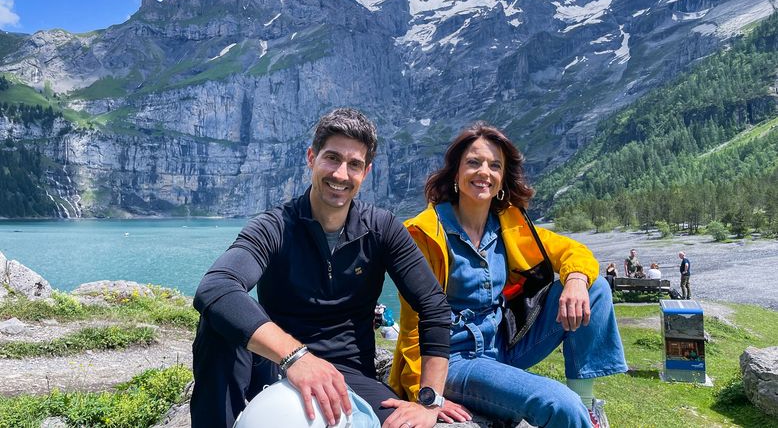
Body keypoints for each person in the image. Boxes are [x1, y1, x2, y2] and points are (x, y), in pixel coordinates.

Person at [191, 108, 455, 428]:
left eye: (354, 164)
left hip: (350, 376)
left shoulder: (381, 229)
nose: (341, 174)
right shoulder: (275, 226)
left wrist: (429, 401)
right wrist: (296, 357)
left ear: (366, 172)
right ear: (311, 157)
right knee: (217, 322)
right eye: (332, 158)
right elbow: (216, 287)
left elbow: (434, 306)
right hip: (276, 365)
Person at [389, 122, 627, 428]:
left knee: (593, 287)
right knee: (558, 403)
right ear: (456, 175)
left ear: (501, 180)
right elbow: (413, 324)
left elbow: (575, 252)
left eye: (494, 165)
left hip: (505, 345)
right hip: (454, 362)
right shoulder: (426, 234)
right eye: (473, 163)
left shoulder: (508, 225)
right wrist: (427, 394)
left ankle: (587, 402)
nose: (484, 172)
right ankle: (575, 407)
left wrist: (576, 280)